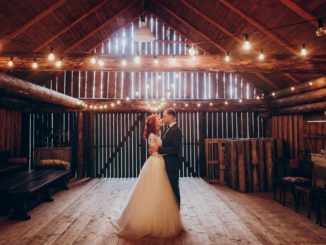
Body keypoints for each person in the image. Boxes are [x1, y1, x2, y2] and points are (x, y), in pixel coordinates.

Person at [113, 114, 183, 239]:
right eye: (159, 120)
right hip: (155, 163)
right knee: (154, 190)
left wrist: (157, 149)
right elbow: (153, 150)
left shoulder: (159, 134)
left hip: (160, 162)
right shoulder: (152, 135)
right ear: (154, 124)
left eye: (163, 118)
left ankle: (160, 215)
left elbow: (157, 149)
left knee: (161, 191)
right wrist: (155, 149)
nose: (161, 120)